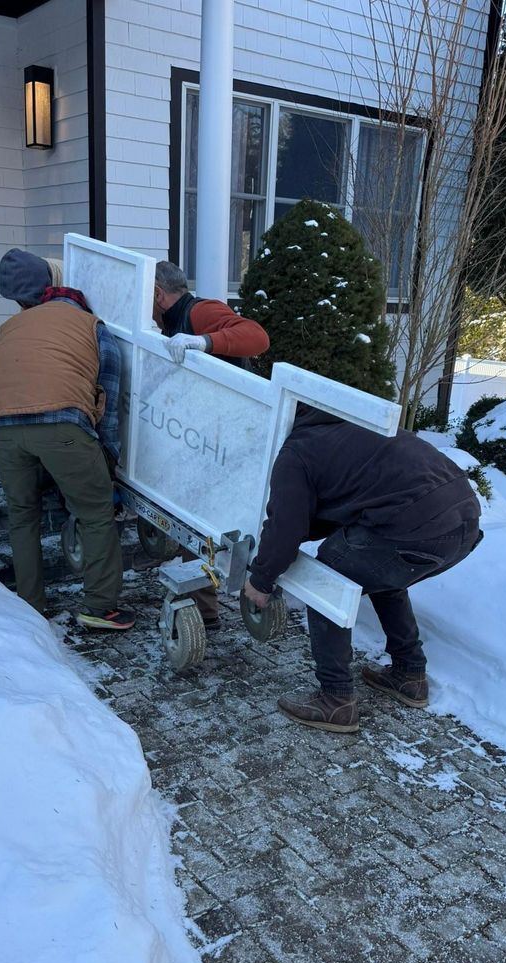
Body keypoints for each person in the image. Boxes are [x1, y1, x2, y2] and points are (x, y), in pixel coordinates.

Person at [243, 408, 483, 733]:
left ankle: (336, 700)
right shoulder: (354, 426)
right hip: (464, 522)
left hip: (420, 525)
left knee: (328, 580)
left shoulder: (295, 452)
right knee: (381, 570)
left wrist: (260, 579)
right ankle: (410, 673)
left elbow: (287, 527)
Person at [0, 248, 134, 631]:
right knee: (95, 513)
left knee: (22, 514)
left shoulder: (11, 328)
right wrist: (107, 458)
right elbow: (109, 401)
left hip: (1, 425)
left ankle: (31, 604)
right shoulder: (92, 325)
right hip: (62, 422)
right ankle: (101, 608)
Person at [153, 260, 270, 628]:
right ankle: (206, 610)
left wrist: (204, 341)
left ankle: (214, 605)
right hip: (199, 432)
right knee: (195, 518)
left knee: (208, 518)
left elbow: (257, 337)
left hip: (229, 435)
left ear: (158, 294)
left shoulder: (200, 310)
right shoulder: (168, 321)